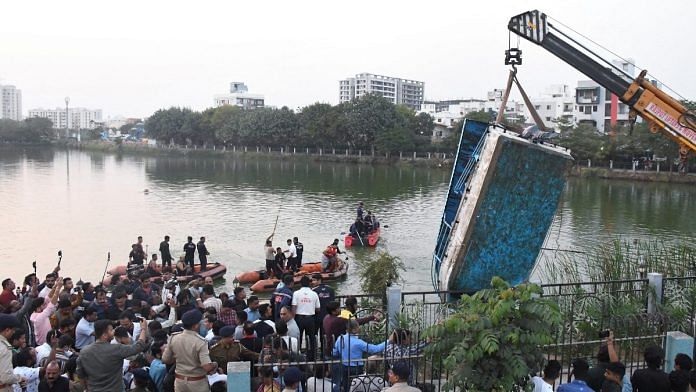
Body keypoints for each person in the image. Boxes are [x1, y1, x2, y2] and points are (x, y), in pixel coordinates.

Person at [76, 318, 148, 392]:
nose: (114, 332)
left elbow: (81, 375)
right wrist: (143, 329)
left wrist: (85, 389)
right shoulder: (116, 349)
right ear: (104, 335)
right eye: (111, 330)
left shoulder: (84, 352)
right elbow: (138, 347)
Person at [162, 309, 218, 392]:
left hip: (179, 381)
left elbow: (165, 359)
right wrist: (214, 365)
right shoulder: (201, 342)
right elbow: (207, 367)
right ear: (195, 326)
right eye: (200, 323)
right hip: (197, 383)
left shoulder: (174, 338)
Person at [332, 319, 388, 390]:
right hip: (356, 368)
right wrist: (388, 341)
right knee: (360, 386)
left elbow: (334, 352)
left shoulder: (340, 339)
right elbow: (374, 349)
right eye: (358, 327)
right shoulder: (358, 343)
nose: (359, 328)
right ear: (354, 330)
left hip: (344, 366)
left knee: (347, 387)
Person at [292, 276, 320, 360]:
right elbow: (318, 309)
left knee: (298, 338)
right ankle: (311, 358)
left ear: (300, 283)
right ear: (310, 283)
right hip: (310, 319)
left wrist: (293, 320)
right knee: (311, 338)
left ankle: (298, 357)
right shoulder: (314, 294)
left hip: (299, 318)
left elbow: (294, 307)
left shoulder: (296, 293)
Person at [0, 314, 25, 391]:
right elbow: (6, 377)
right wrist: (19, 378)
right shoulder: (5, 348)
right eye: (13, 330)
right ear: (7, 330)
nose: (14, 332)